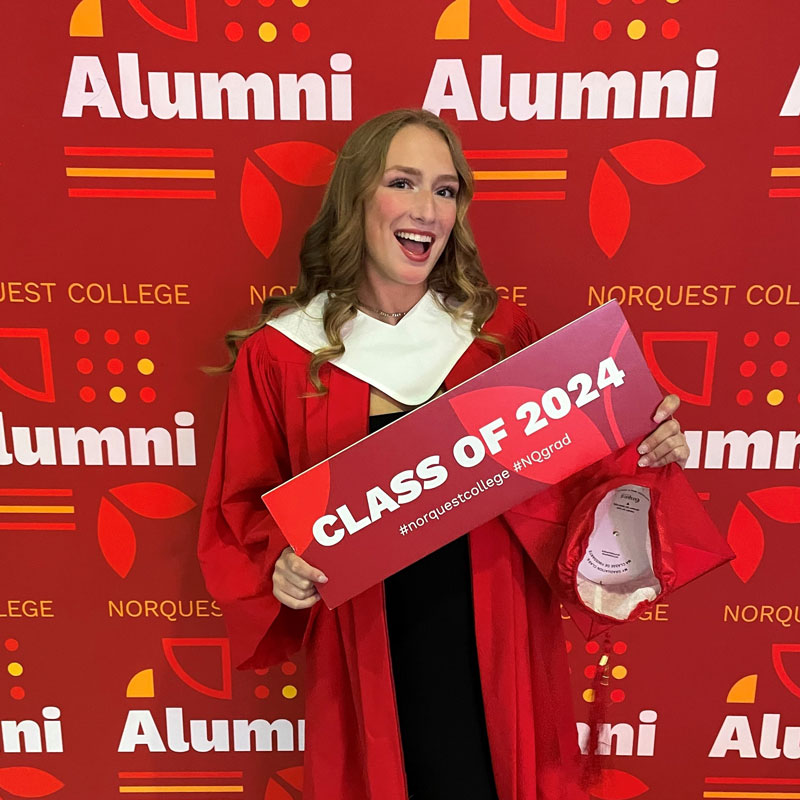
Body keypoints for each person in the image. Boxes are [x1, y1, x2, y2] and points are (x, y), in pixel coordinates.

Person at [198, 108, 690, 800]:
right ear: (358, 196)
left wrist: (641, 452)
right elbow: (242, 508)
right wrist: (279, 562)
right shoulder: (282, 353)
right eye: (403, 183)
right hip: (366, 646)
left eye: (446, 189)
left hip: (497, 631)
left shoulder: (498, 336)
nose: (426, 209)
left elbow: (575, 485)